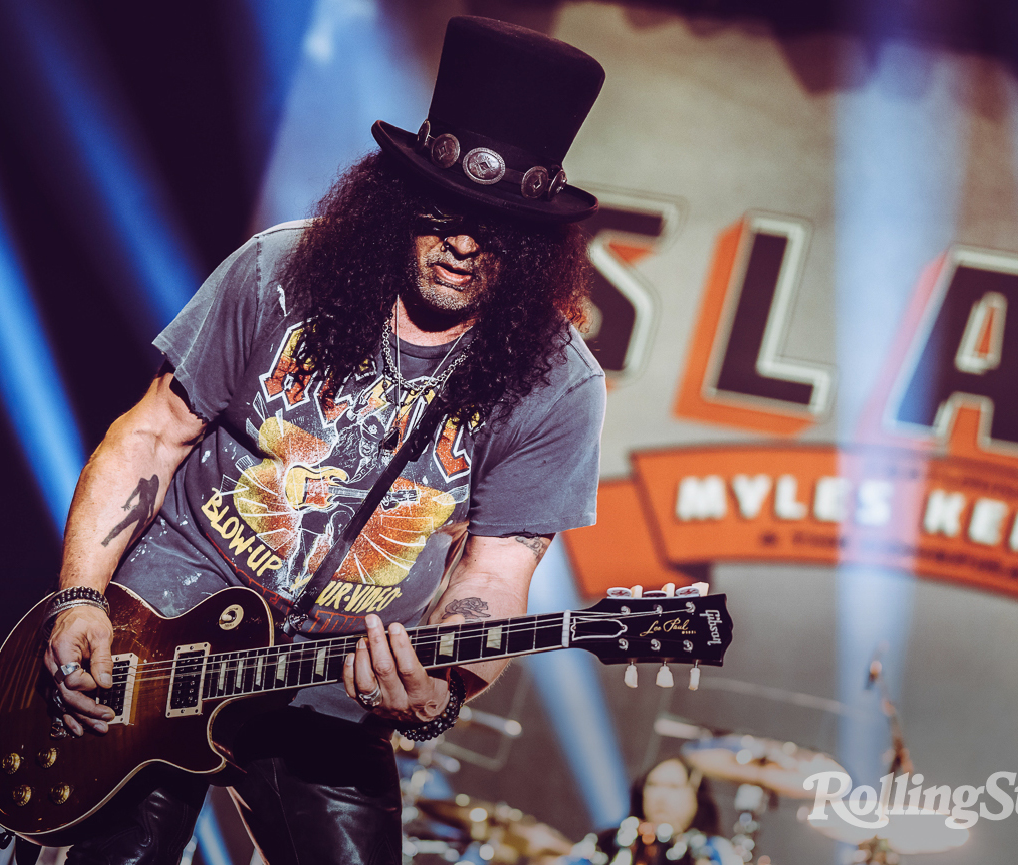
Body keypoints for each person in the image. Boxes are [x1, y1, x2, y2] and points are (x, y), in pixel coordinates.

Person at [39, 16, 607, 865]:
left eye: (494, 229)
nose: (462, 243)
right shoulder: (280, 271)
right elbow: (151, 435)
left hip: (331, 687)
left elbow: (495, 573)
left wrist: (438, 693)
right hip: (156, 641)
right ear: (397, 199)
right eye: (443, 211)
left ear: (533, 248)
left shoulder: (557, 382)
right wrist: (81, 597)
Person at [579, 759, 739, 865]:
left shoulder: (713, 850)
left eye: (673, 786)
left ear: (696, 796)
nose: (660, 796)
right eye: (653, 785)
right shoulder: (610, 840)